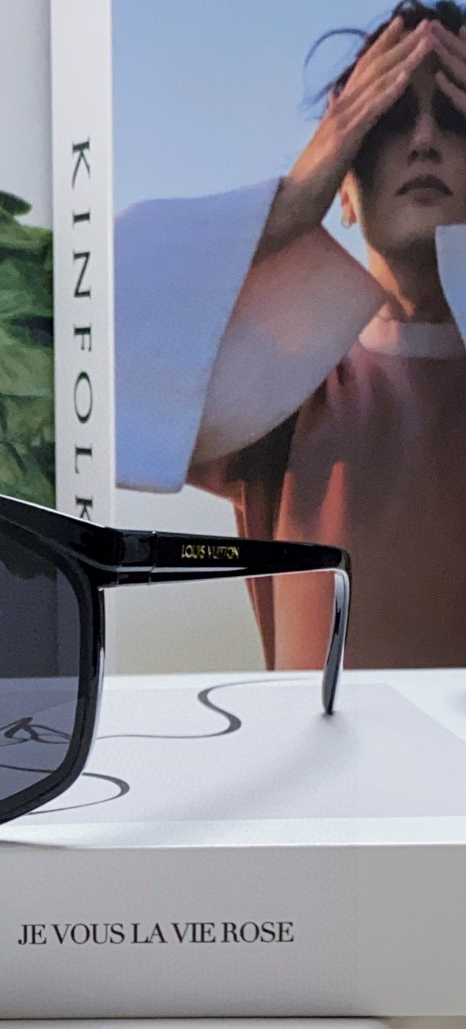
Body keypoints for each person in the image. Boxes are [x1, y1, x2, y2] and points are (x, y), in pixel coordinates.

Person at [116, 2, 466, 669]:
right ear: (346, 188)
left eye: (456, 117)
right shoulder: (286, 387)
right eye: (387, 119)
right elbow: (66, 350)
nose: (424, 139)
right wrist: (286, 205)